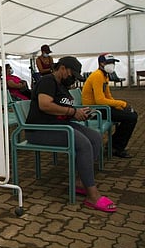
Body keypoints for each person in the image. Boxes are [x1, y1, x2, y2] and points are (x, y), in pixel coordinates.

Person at [26, 56, 117, 213]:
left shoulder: (62, 86)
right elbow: (45, 105)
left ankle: (80, 182)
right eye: (72, 75)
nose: (73, 79)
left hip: (59, 126)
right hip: (40, 130)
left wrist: (80, 113)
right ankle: (92, 195)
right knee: (83, 144)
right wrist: (72, 112)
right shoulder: (48, 81)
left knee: (95, 138)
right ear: (62, 68)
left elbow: (63, 109)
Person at [81, 53, 138, 158]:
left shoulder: (104, 76)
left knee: (132, 114)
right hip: (94, 111)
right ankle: (117, 147)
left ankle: (114, 145)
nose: (112, 65)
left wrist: (119, 107)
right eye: (109, 63)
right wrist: (122, 103)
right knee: (131, 117)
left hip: (102, 108)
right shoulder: (97, 75)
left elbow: (108, 96)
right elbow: (100, 100)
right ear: (101, 63)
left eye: (113, 63)